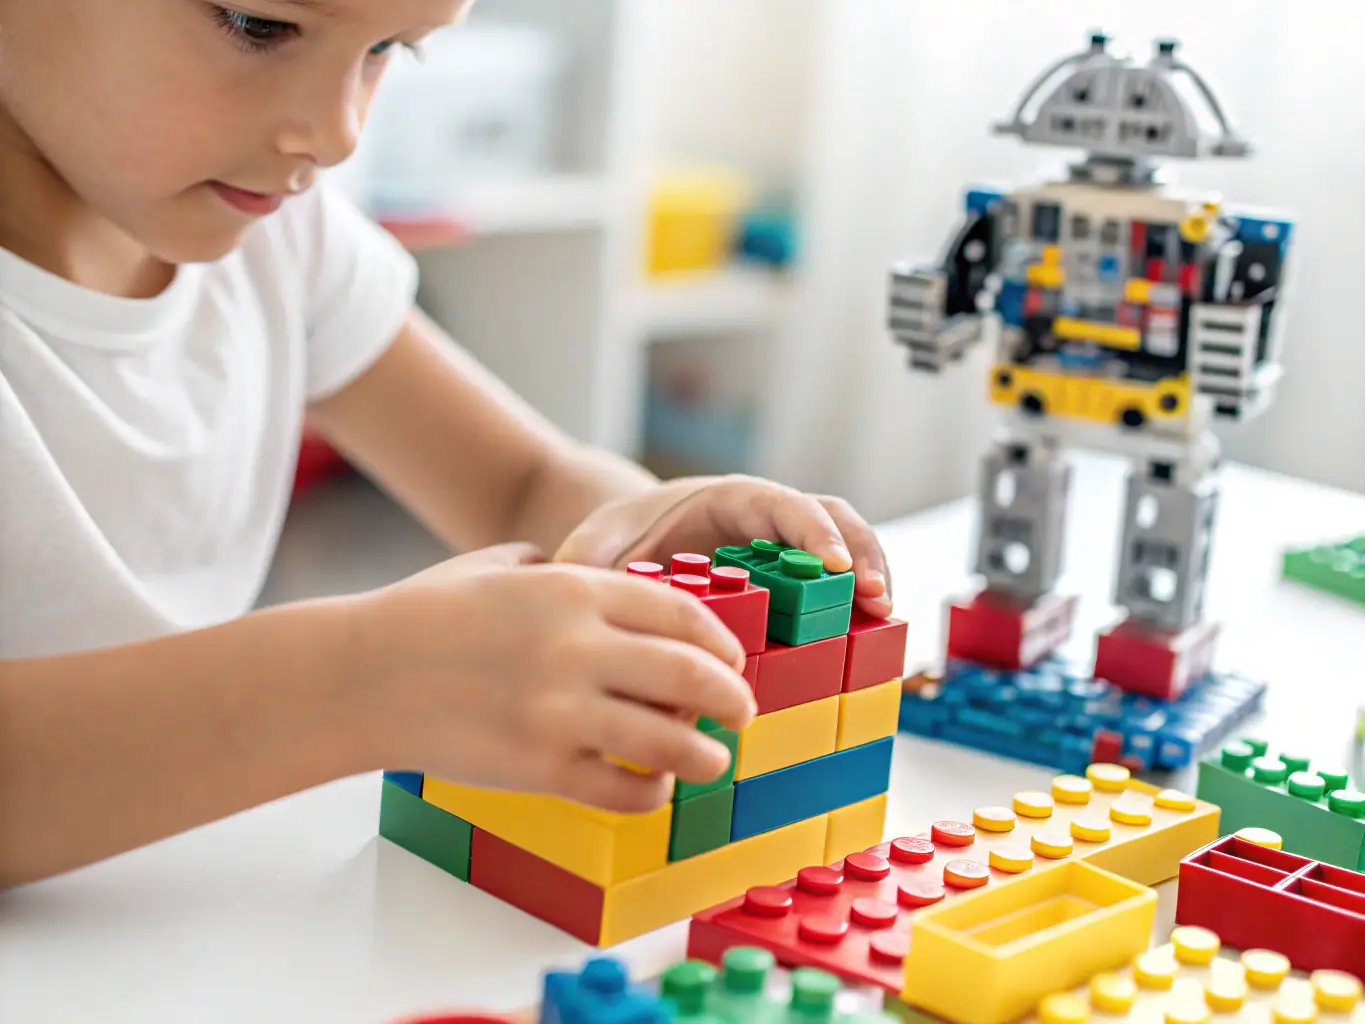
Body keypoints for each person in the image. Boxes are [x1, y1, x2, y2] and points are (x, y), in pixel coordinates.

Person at [0, 0, 894, 888]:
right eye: (258, 25)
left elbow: (522, 481)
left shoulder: (281, 236)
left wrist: (642, 521)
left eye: (389, 49)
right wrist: (355, 683)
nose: (339, 133)